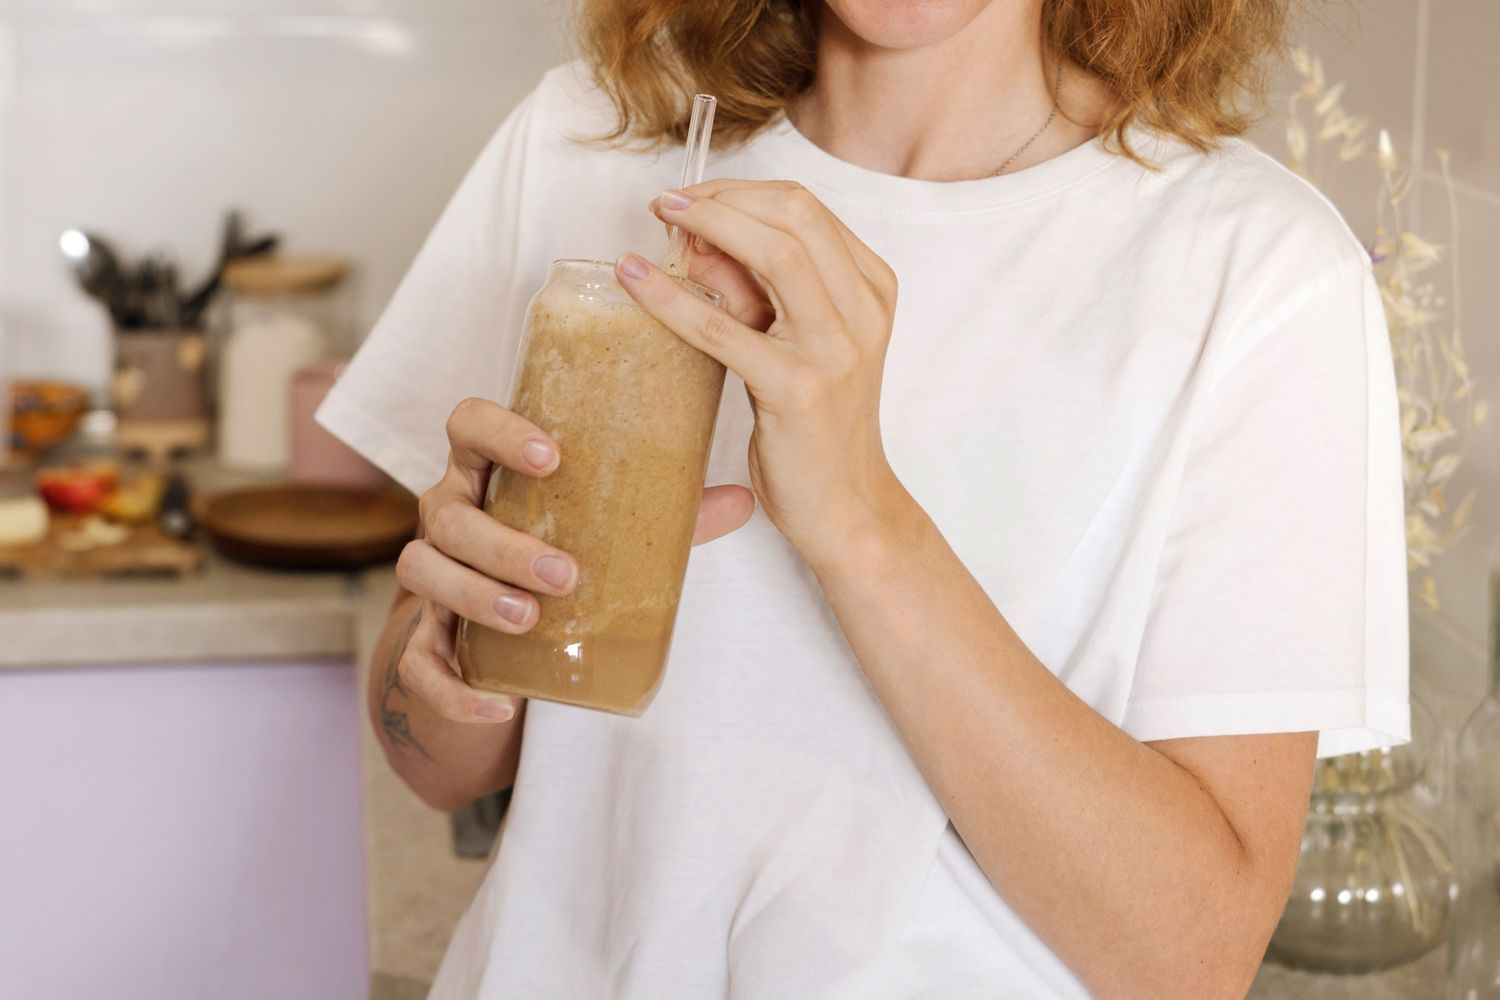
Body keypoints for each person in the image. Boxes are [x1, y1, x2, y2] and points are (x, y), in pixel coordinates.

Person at [318, 0, 1408, 996]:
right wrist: (453, 657)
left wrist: (862, 524)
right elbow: (428, 759)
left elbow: (1193, 953)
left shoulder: (1256, 270)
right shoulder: (590, 140)